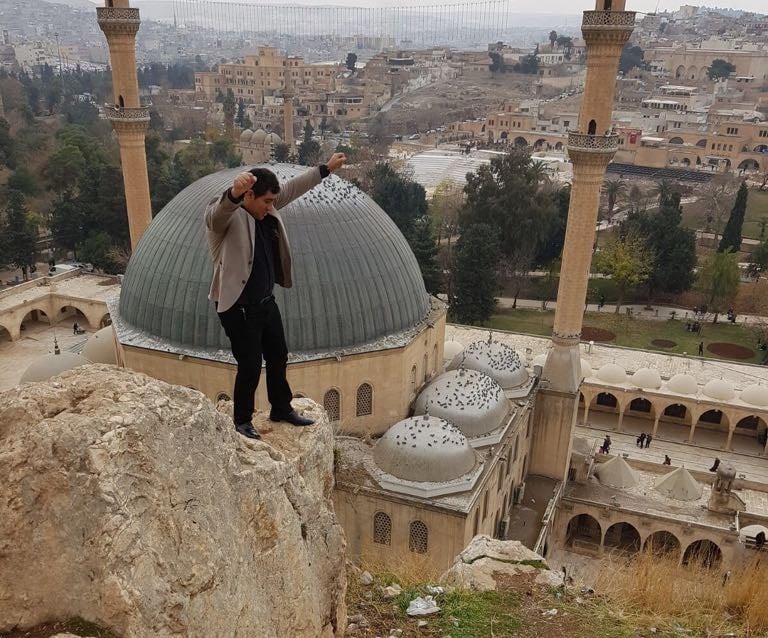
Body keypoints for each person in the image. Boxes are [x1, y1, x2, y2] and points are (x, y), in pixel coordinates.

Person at [205, 153, 348, 440]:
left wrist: (325, 169)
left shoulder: (264, 210)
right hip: (238, 308)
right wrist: (232, 193)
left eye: (273, 201)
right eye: (266, 201)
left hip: (265, 302)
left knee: (278, 354)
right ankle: (242, 421)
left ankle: (281, 407)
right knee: (249, 363)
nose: (271, 206)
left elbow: (293, 188)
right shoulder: (228, 216)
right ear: (248, 195)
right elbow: (215, 216)